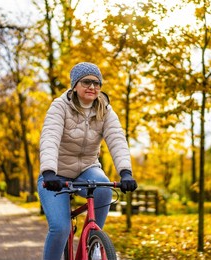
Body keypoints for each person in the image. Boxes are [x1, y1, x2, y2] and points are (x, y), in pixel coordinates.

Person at [37, 62, 138, 260]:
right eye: (86, 82)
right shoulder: (60, 106)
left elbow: (117, 139)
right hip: (55, 174)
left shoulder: (105, 110)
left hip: (87, 169)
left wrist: (126, 172)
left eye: (96, 83)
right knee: (60, 228)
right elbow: (50, 137)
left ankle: (92, 241)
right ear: (75, 85)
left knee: (104, 189)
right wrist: (48, 172)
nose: (92, 87)